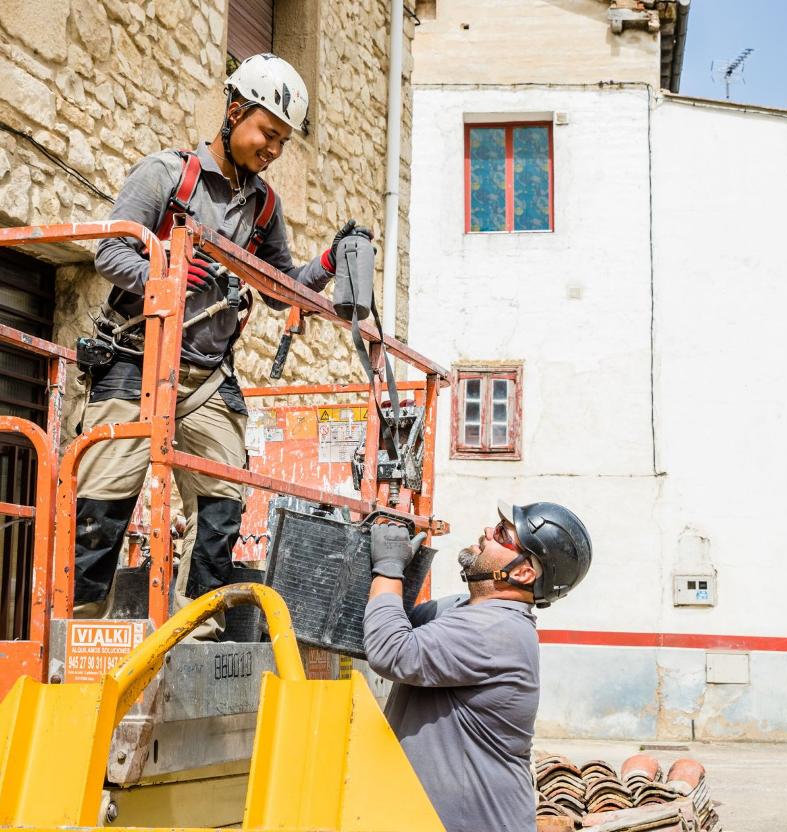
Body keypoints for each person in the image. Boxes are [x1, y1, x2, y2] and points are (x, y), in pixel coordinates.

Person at [75, 53, 358, 622]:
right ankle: (77, 629)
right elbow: (107, 252)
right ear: (234, 112)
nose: (273, 151)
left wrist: (328, 260)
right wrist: (165, 274)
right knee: (101, 504)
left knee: (223, 508)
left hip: (206, 376)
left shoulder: (264, 208)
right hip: (136, 357)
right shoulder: (164, 175)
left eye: (282, 142)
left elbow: (280, 289)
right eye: (266, 134)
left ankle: (193, 630)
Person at [362, 500, 593, 832]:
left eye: (501, 533)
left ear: (523, 572)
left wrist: (388, 566)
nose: (487, 531)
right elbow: (382, 624)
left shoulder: (497, 630)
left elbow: (391, 650)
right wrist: (396, 567)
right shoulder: (464, 610)